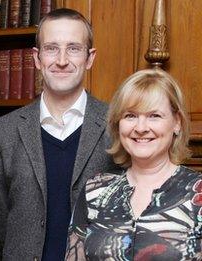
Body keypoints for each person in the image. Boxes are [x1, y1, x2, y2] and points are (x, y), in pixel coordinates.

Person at [0, 8, 118, 260]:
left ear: (90, 58)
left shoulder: (118, 126)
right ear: (37, 58)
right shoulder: (3, 132)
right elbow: (1, 223)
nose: (62, 60)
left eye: (73, 48)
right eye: (52, 48)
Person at [65, 68, 200, 260]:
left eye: (154, 115)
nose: (141, 128)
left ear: (177, 122)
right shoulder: (94, 191)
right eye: (130, 116)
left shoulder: (198, 193)